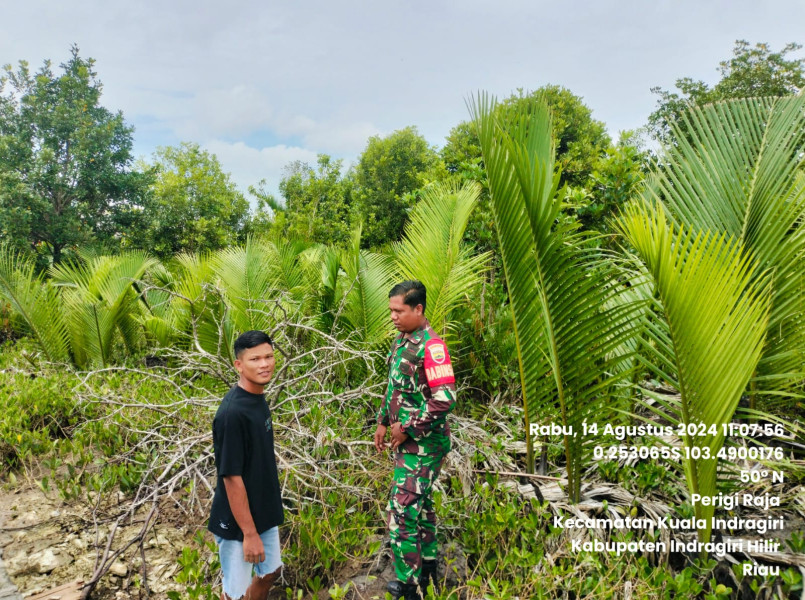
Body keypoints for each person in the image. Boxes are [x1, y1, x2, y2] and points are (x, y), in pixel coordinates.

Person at [374, 281, 457, 600]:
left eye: (399, 311)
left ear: (418, 309)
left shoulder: (432, 347)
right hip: (407, 443)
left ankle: (408, 585)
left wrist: (407, 427)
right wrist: (383, 421)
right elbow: (394, 387)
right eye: (391, 310)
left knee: (403, 508)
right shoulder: (402, 341)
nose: (393, 316)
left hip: (425, 444)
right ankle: (427, 569)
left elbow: (445, 399)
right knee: (420, 506)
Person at [209, 330, 284, 600]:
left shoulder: (257, 399)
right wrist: (249, 533)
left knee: (269, 572)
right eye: (255, 359)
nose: (264, 364)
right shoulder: (231, 414)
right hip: (237, 522)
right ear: (238, 365)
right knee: (235, 593)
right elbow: (231, 477)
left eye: (269, 356)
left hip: (262, 511)